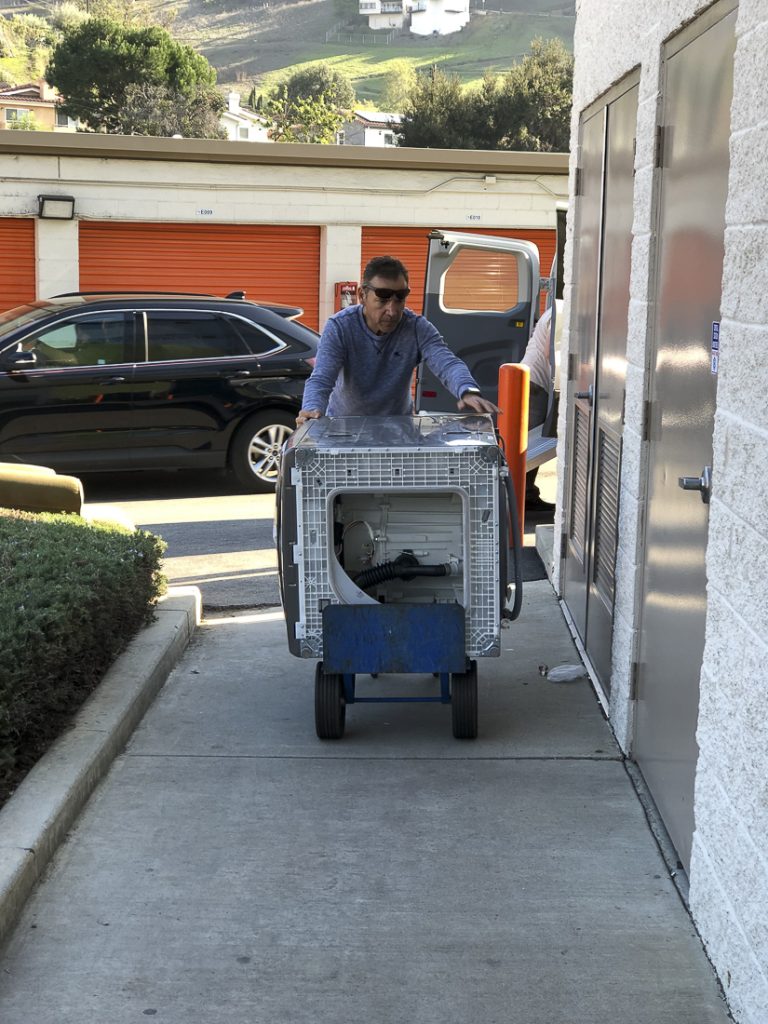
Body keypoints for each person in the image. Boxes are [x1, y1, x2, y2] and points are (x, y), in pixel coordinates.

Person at [297, 255, 499, 425]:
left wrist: (468, 391)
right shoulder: (340, 327)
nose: (392, 311)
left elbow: (447, 363)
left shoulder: (416, 327)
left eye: (400, 299)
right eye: (382, 300)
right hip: (344, 430)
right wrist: (312, 411)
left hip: (398, 433)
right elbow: (321, 379)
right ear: (362, 295)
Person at [520, 305, 556, 513]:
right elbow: (550, 351)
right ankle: (521, 499)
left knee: (530, 442)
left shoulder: (554, 310)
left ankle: (528, 495)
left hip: (532, 381)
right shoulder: (559, 312)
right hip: (535, 384)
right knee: (528, 444)